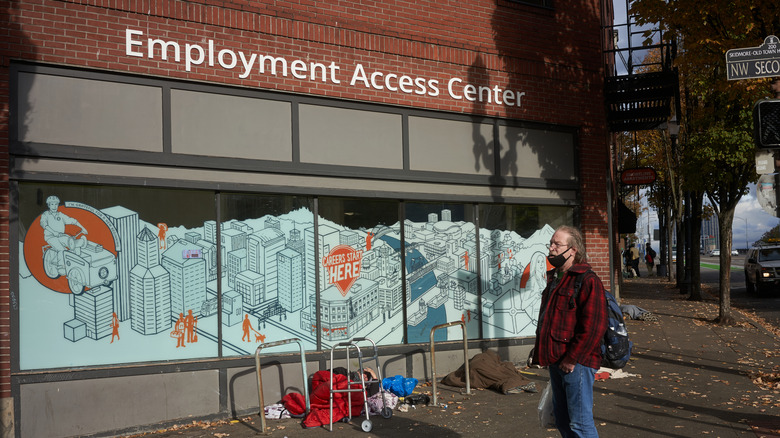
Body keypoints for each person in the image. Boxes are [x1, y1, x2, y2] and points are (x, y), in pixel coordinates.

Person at [532, 225, 607, 438]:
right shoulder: (556, 278)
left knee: (580, 425)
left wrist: (572, 358)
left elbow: (594, 326)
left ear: (573, 249)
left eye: (557, 244)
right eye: (551, 243)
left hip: (577, 364)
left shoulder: (587, 280)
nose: (551, 247)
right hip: (557, 361)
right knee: (563, 421)